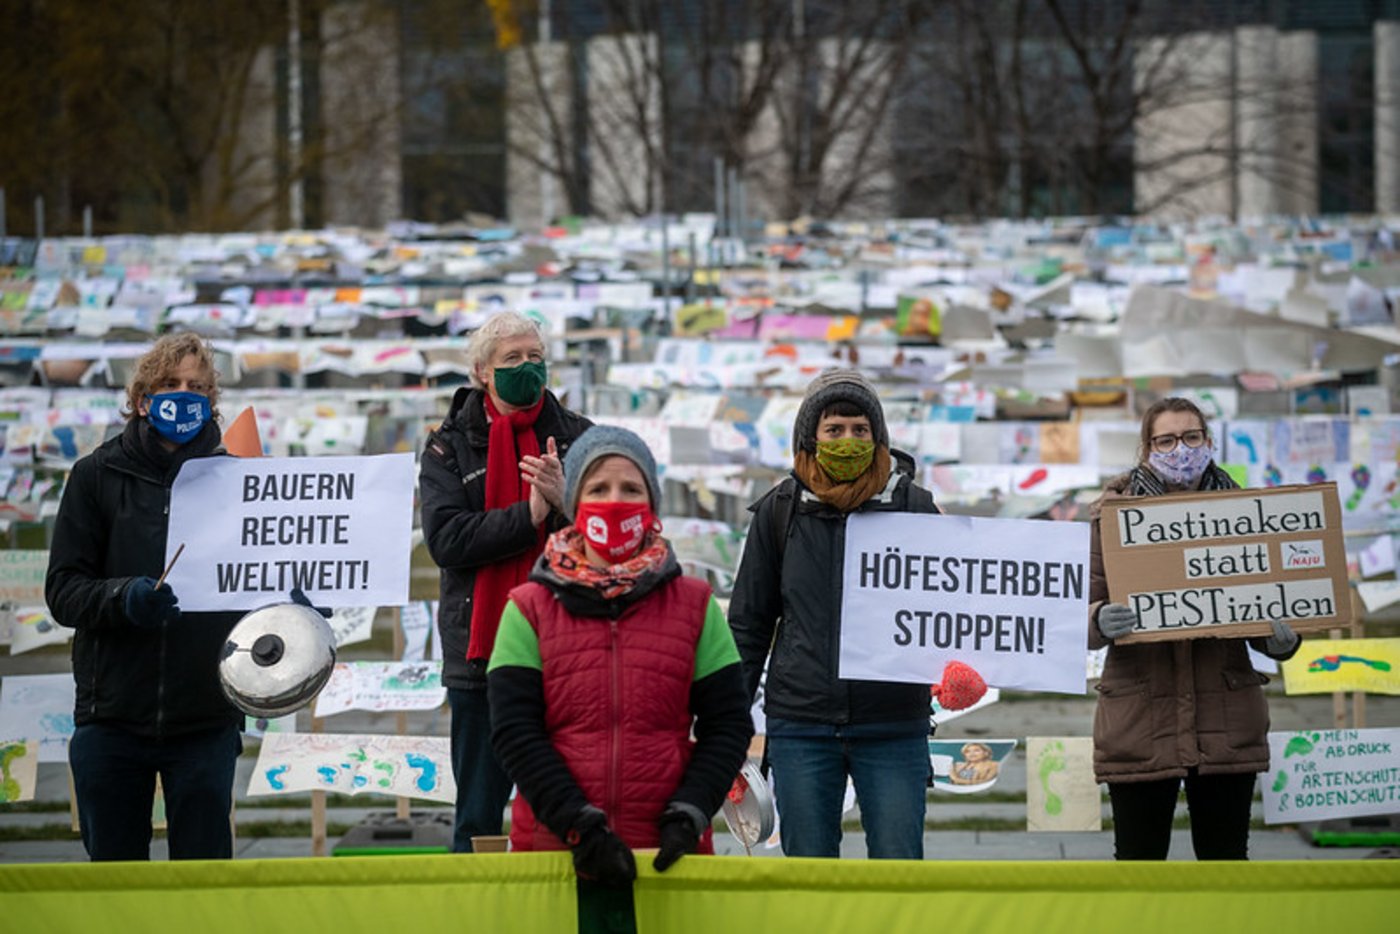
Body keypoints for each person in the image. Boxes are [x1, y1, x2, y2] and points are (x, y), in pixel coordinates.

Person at [487, 425, 752, 889]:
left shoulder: (695, 605)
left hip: (669, 852)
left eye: (630, 488)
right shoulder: (526, 608)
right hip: (555, 850)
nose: (614, 499)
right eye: (597, 487)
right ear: (574, 503)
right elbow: (514, 732)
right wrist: (578, 825)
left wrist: (691, 811)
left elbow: (728, 725)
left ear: (651, 504)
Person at [45, 333, 243, 861]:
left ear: (213, 402)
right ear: (140, 400)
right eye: (170, 384)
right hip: (111, 718)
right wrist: (123, 598)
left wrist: (297, 604)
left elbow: (250, 591)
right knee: (114, 885)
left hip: (205, 718)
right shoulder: (95, 476)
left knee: (202, 888)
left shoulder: (237, 482)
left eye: (198, 387)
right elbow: (63, 591)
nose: (185, 395)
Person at [727, 368, 939, 859]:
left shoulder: (914, 507)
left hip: (893, 726)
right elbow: (750, 623)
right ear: (810, 437)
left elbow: (950, 611)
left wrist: (959, 671)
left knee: (899, 869)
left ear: (878, 437)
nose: (848, 440)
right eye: (834, 429)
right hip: (801, 726)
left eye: (860, 430)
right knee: (809, 872)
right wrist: (732, 719)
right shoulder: (779, 512)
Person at [1089, 397, 1302, 860]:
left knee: (1225, 865)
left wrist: (1281, 637)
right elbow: (1075, 610)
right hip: (1139, 721)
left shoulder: (1247, 514)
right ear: (1146, 449)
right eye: (1165, 440)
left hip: (1224, 718)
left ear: (1209, 442)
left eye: (1190, 437)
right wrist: (1098, 620)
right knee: (1139, 867)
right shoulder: (1109, 518)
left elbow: (1269, 599)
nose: (1180, 449)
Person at [419, 311, 592, 853]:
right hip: (482, 660)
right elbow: (447, 541)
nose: (526, 368)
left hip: (566, 652)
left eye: (535, 357)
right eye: (512, 359)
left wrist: (565, 505)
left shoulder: (580, 438)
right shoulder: (448, 446)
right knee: (477, 816)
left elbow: (606, 538)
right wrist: (529, 516)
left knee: (568, 809)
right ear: (481, 373)